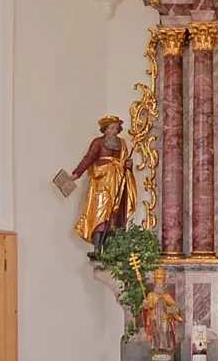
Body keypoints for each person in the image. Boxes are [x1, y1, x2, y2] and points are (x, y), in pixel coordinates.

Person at [71, 115, 136, 259]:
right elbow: (89, 158)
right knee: (99, 214)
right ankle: (97, 248)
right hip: (101, 183)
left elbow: (125, 164)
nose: (114, 131)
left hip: (117, 182)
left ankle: (111, 250)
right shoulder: (98, 143)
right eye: (111, 128)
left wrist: (128, 166)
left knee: (115, 215)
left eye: (116, 128)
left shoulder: (122, 144)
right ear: (105, 130)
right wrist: (77, 173)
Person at [141, 267, 183, 352]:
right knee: (155, 333)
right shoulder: (151, 295)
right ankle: (156, 348)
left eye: (161, 282)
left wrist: (169, 309)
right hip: (155, 318)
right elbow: (146, 307)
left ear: (163, 283)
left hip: (164, 318)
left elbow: (177, 308)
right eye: (157, 282)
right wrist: (145, 304)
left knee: (164, 332)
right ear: (155, 283)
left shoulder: (167, 296)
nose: (159, 284)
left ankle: (165, 349)